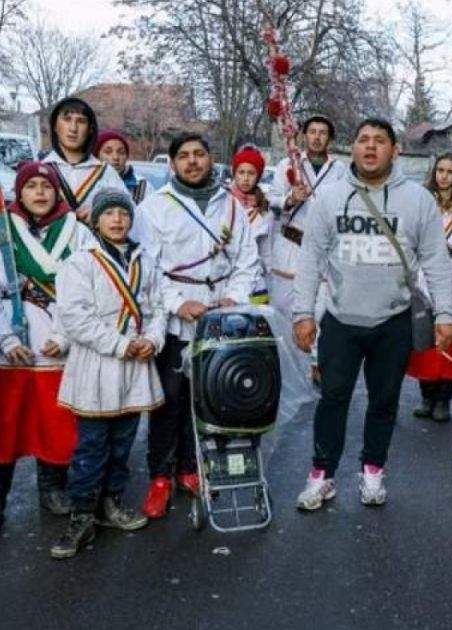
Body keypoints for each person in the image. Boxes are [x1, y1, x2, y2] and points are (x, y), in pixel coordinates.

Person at [291, 118, 452, 511]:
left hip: (393, 321)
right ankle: (321, 475)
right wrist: (303, 313)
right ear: (353, 148)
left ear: (394, 150)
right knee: (332, 399)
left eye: (379, 141)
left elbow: (436, 259)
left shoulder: (417, 200)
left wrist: (446, 314)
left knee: (384, 402)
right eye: (362, 139)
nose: (370, 147)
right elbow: (311, 259)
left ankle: (372, 473)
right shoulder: (330, 198)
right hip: (341, 319)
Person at [134, 133, 260, 519]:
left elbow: (247, 260)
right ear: (172, 163)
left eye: (199, 154)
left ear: (211, 159)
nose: (192, 161)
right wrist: (177, 303)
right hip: (174, 318)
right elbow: (147, 267)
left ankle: (191, 467)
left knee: (205, 397)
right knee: (168, 399)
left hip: (219, 316)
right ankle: (160, 476)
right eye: (184, 156)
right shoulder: (154, 207)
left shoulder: (232, 207)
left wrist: (232, 301)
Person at [0, 161, 97, 532]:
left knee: (58, 424)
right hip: (12, 354)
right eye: (31, 186)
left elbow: (89, 294)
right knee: (4, 426)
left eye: (46, 185)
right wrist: (6, 339)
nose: (39, 193)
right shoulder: (0, 232)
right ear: (19, 193)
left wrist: (65, 337)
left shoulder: (78, 232)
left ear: (57, 192)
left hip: (59, 350)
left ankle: (53, 487)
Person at [50, 190, 166, 559]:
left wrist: (153, 338)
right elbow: (75, 317)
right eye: (109, 213)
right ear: (95, 219)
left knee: (122, 443)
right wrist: (120, 345)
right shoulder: (80, 263)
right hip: (98, 365)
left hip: (134, 365)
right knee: (91, 447)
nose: (117, 219)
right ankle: (82, 515)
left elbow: (157, 306)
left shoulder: (144, 260)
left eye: (123, 213)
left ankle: (112, 503)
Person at [407, 153, 452, 423]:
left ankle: (444, 400)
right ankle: (426, 395)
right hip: (426, 272)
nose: (444, 176)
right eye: (440, 170)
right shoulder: (422, 200)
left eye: (451, 172)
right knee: (425, 335)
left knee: (450, 339)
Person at [267, 114, 347, 318]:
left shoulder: (339, 170)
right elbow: (272, 199)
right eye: (312, 132)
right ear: (303, 136)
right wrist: (291, 199)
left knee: (318, 314)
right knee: (284, 314)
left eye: (323, 133)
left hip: (323, 251)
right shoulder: (288, 164)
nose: (317, 137)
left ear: (329, 139)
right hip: (290, 248)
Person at [41, 97, 130, 221]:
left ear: (90, 129)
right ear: (55, 126)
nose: (73, 128)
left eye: (81, 121)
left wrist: (101, 213)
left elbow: (130, 216)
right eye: (67, 119)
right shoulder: (40, 171)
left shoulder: (105, 173)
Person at [229, 145, 272, 304]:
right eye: (241, 172)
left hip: (256, 283)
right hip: (228, 281)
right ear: (234, 173)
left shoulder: (263, 208)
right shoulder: (223, 202)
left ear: (258, 176)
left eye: (251, 173)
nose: (246, 178)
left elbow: (266, 252)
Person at [95, 129, 149, 204]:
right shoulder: (87, 183)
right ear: (97, 156)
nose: (115, 157)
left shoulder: (141, 185)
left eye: (121, 152)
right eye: (108, 152)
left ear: (126, 157)